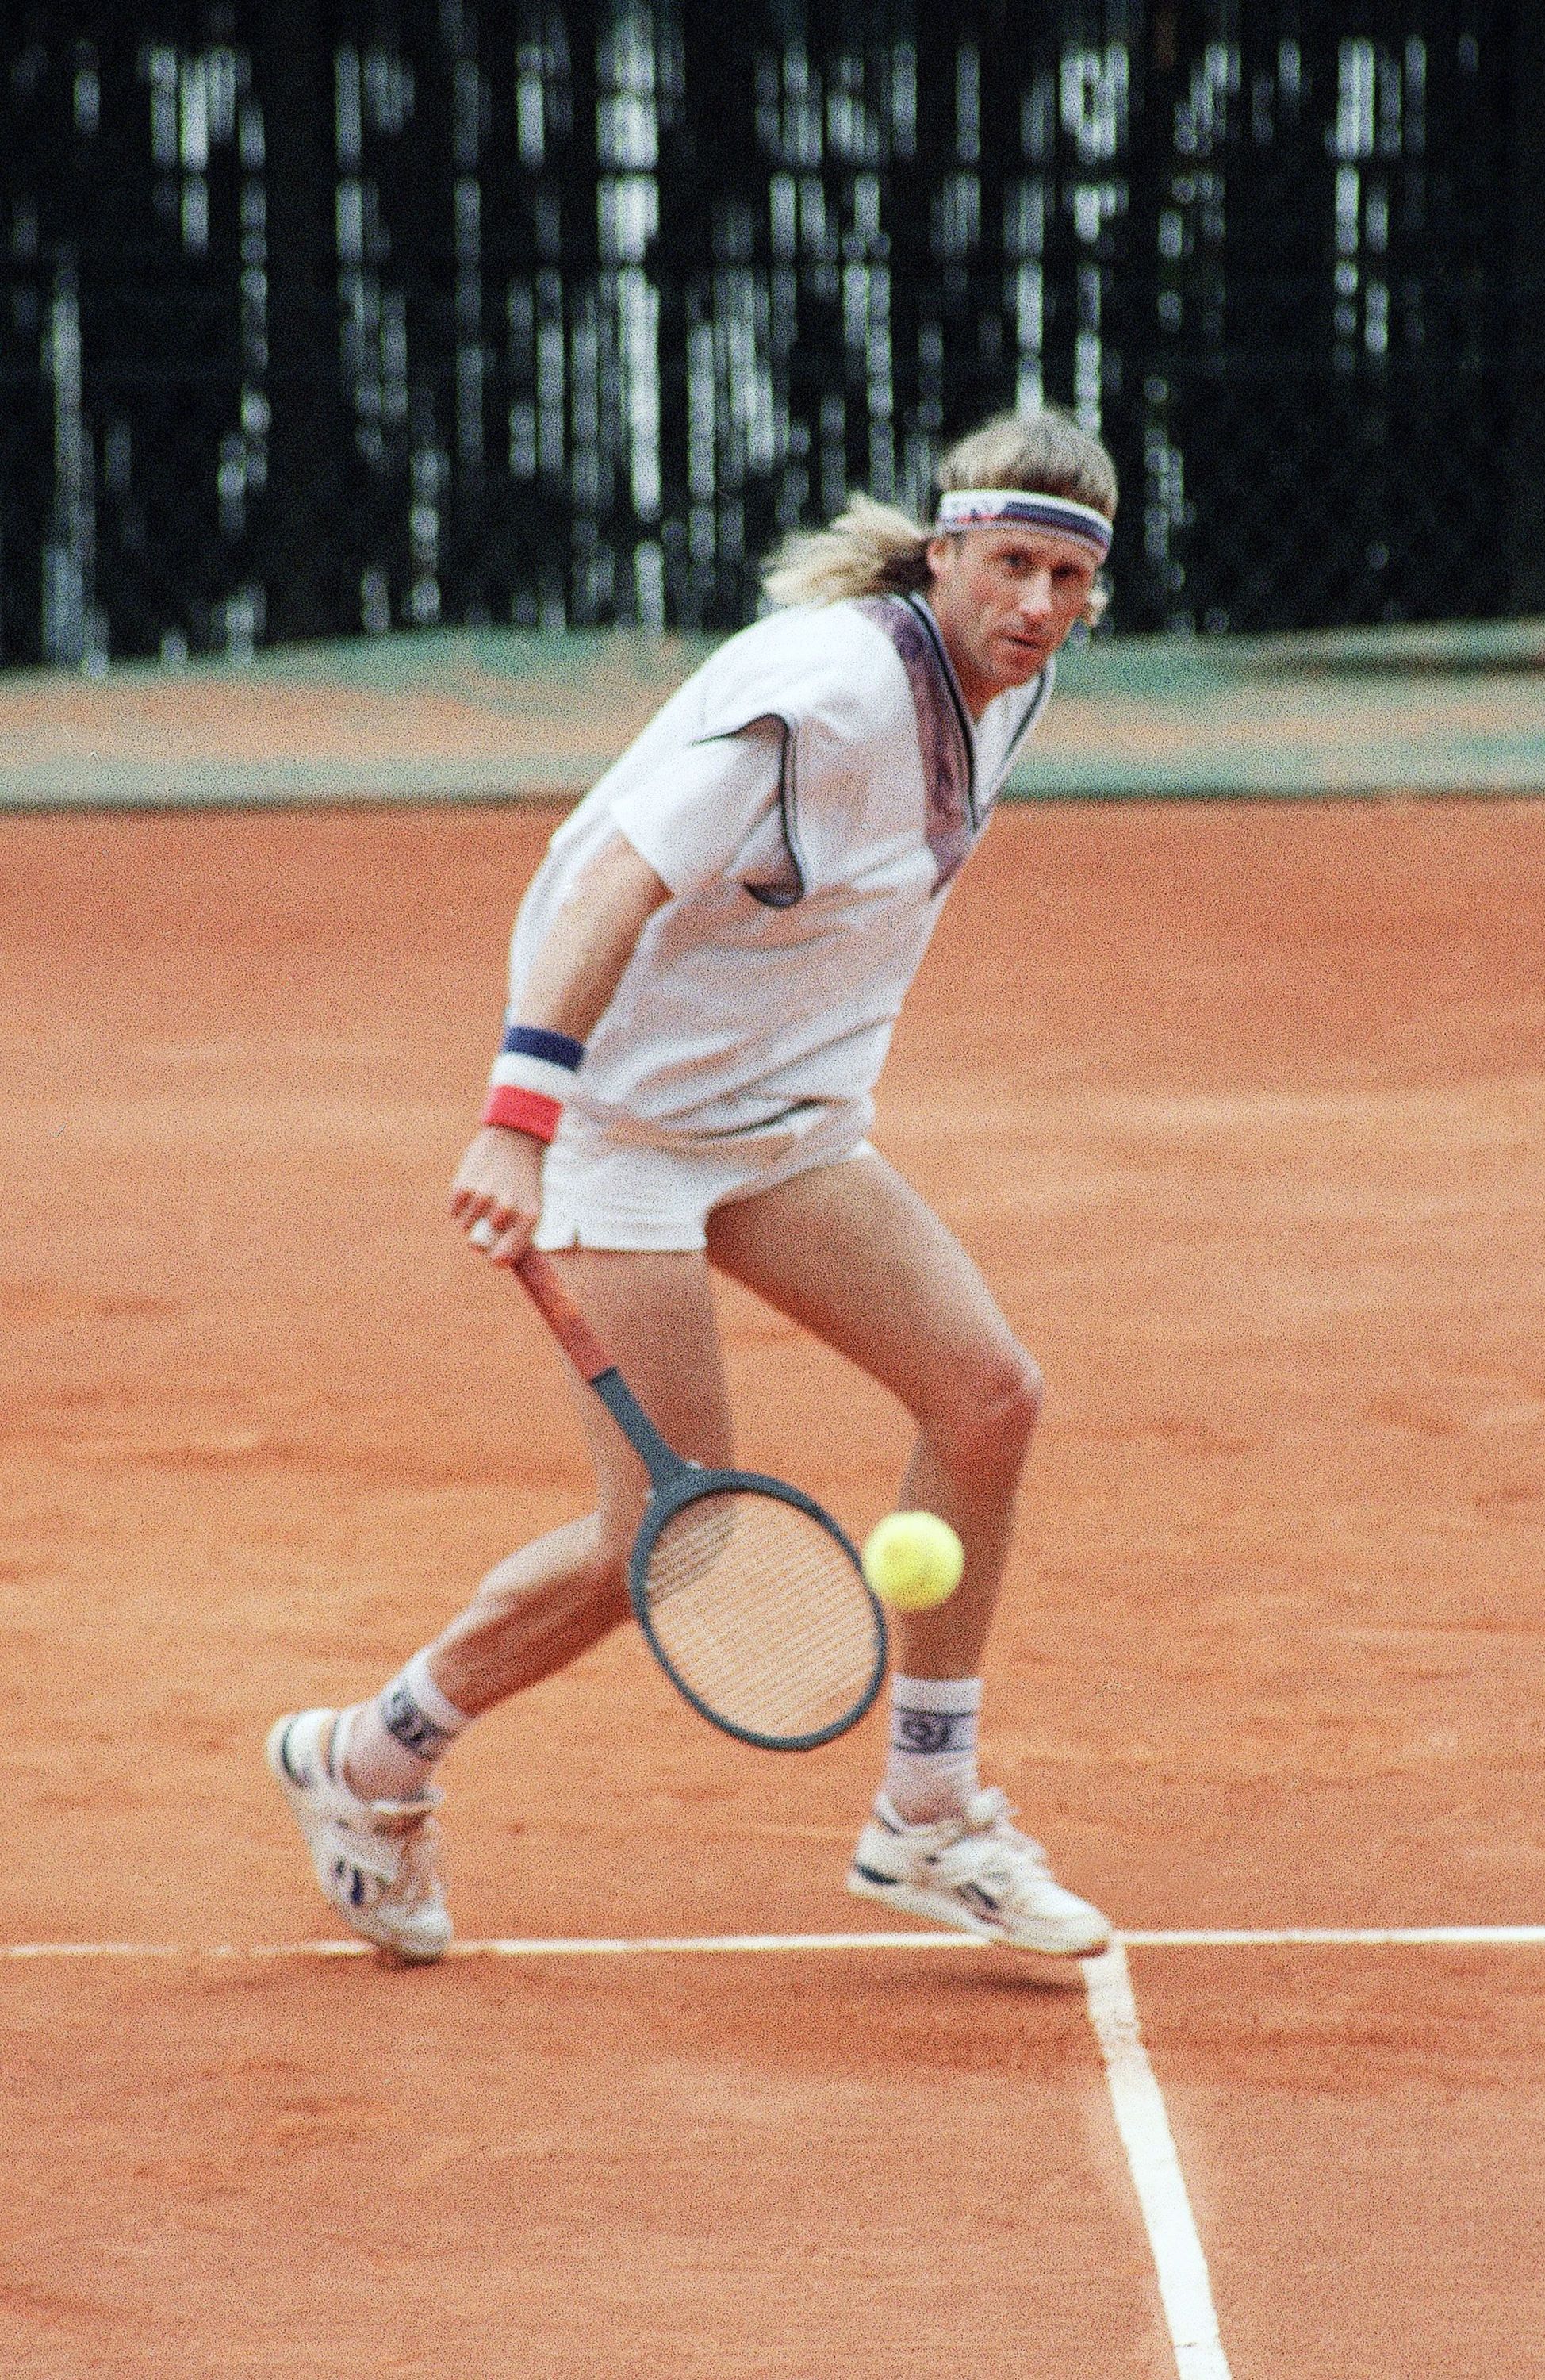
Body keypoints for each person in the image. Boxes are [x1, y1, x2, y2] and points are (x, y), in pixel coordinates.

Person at [267, 408, 1118, 1964]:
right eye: (1011, 564)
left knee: (987, 1398)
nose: (1038, 607)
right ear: (944, 553)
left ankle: (924, 1819)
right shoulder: (829, 694)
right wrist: (519, 1120)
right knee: (670, 1539)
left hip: (786, 1130)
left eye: (1070, 576)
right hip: (619, 1133)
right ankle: (364, 1761)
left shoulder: (1016, 687)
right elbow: (607, 885)